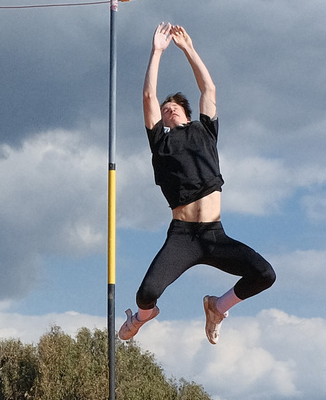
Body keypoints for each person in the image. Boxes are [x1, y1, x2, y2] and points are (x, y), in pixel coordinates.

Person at [118, 23, 276, 347]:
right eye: (165, 110)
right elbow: (148, 96)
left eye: (174, 107)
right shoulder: (160, 142)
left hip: (214, 235)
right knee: (145, 295)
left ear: (186, 114)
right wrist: (157, 51)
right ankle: (141, 318)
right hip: (183, 236)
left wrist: (188, 48)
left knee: (265, 274)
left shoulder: (205, 130)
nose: (168, 109)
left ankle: (217, 307)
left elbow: (209, 88)